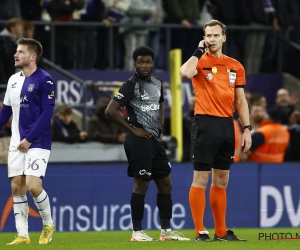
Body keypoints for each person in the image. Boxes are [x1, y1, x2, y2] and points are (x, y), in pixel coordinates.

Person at [105, 46, 190, 242]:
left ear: (153, 63)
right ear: (134, 64)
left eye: (148, 62)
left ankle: (166, 232)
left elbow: (160, 103)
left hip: (154, 140)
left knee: (166, 184)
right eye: (141, 62)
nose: (144, 65)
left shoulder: (158, 83)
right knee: (141, 184)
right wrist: (132, 129)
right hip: (138, 140)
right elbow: (110, 110)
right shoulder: (130, 85)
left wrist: (160, 127)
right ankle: (137, 232)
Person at [180, 19, 252, 242]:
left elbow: (240, 101)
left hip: (226, 125)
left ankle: (221, 231)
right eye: (207, 35)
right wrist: (197, 51)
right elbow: (185, 72)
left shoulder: (235, 65)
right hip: (205, 124)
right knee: (201, 178)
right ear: (204, 37)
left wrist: (247, 128)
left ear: (224, 38)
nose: (211, 39)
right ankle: (200, 231)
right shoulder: (199, 61)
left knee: (222, 179)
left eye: (215, 35)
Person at [0, 38, 55, 245]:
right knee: (16, 187)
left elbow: (47, 113)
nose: (16, 55)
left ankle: (48, 223)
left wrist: (29, 138)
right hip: (17, 142)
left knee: (33, 186)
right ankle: (23, 235)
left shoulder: (45, 80)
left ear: (32, 57)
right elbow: (5, 113)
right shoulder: (13, 80)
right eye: (16, 51)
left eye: (21, 52)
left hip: (38, 140)